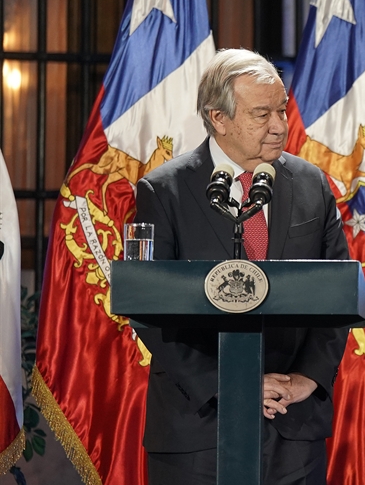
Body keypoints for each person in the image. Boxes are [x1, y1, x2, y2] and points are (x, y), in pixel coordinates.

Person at [135, 49, 349, 485]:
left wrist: (307, 378)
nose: (279, 125)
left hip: (293, 424)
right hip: (199, 430)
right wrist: (231, 385)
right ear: (219, 118)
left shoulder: (312, 184)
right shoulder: (164, 191)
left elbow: (340, 293)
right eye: (261, 113)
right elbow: (149, 310)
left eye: (281, 110)